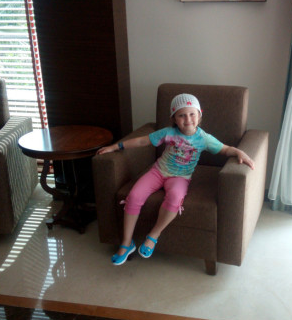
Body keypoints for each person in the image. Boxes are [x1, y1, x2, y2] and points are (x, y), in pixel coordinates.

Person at [96, 93, 255, 266]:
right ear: (174, 118)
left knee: (175, 198)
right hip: (158, 172)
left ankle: (153, 235)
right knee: (134, 196)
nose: (188, 119)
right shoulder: (168, 133)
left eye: (192, 114)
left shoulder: (203, 139)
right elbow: (142, 142)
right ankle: (127, 243)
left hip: (180, 177)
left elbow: (224, 149)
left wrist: (239, 152)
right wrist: (116, 146)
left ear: (199, 115)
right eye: (182, 115)